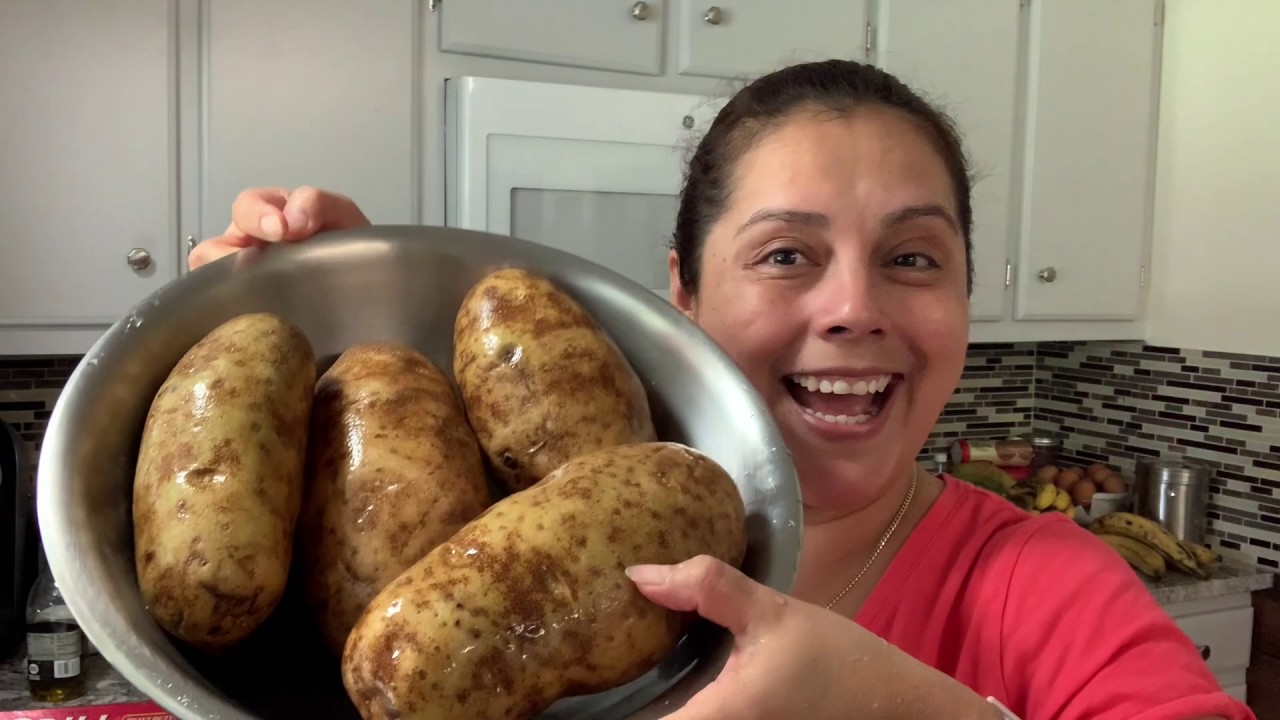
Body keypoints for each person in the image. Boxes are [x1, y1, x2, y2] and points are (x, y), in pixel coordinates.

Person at [189, 60, 1255, 720]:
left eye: (914, 259)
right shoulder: (516, 528)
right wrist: (338, 367)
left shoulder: (1042, 590)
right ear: (683, 293)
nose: (852, 308)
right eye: (786, 256)